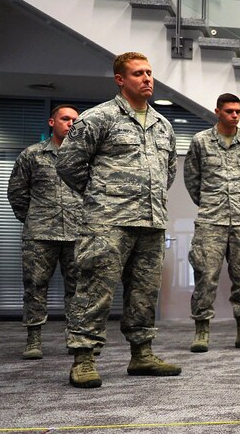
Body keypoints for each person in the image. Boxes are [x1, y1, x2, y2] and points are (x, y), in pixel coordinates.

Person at [56, 52, 181, 388]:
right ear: (120, 79)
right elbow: (68, 164)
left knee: (144, 292)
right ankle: (84, 358)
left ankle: (142, 354)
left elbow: (167, 173)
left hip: (151, 222)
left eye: (149, 73)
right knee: (95, 289)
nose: (147, 78)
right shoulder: (99, 118)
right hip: (107, 222)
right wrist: (102, 195)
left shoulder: (163, 125)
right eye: (138, 73)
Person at [183, 93, 240, 352]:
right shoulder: (200, 141)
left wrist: (239, 203)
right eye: (229, 111)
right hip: (211, 220)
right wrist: (211, 202)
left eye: (238, 111)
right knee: (205, 276)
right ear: (217, 112)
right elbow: (192, 179)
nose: (234, 115)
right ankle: (201, 332)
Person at [7, 104, 82, 360]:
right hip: (40, 235)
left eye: (75, 120)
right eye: (65, 119)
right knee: (35, 287)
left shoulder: (84, 157)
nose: (70, 124)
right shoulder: (32, 155)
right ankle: (34, 339)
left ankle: (75, 338)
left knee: (77, 289)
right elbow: (17, 192)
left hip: (76, 233)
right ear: (52, 122)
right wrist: (33, 219)